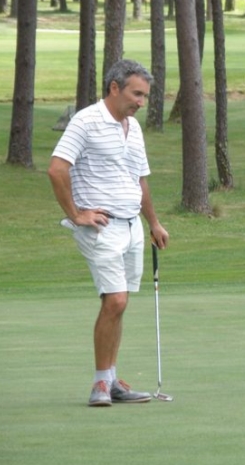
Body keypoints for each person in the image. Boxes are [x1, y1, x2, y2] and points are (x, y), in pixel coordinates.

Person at [48, 59, 169, 407]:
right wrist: (76, 214)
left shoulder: (133, 127)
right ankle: (101, 384)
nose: (141, 103)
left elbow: (139, 179)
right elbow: (57, 170)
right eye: (136, 94)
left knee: (119, 302)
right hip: (101, 227)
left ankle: (111, 380)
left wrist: (154, 223)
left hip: (131, 226)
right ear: (114, 88)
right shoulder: (86, 121)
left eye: (145, 96)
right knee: (115, 299)